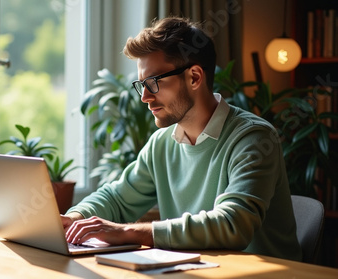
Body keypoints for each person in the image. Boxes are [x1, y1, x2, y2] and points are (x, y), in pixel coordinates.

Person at [61, 16, 302, 261]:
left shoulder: (253, 138)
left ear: (195, 77)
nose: (144, 97)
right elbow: (117, 198)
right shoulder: (161, 143)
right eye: (141, 84)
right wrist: (75, 218)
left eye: (153, 82)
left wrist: (130, 232)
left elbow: (233, 224)